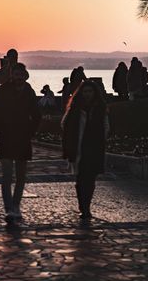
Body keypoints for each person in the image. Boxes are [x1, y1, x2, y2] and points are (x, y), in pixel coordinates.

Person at [0, 63, 41, 223]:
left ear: (25, 75)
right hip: (6, 136)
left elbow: (37, 114)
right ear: (12, 75)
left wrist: (31, 131)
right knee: (7, 174)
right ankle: (8, 207)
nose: (18, 77)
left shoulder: (29, 92)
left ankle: (16, 205)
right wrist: (1, 128)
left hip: (23, 137)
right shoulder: (2, 91)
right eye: (16, 74)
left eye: (21, 74)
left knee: (20, 175)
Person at [62, 80, 109, 220]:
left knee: (91, 179)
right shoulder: (75, 109)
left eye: (90, 91)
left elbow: (106, 126)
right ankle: (83, 207)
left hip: (94, 148)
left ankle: (86, 206)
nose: (87, 94)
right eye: (85, 91)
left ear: (94, 93)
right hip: (80, 147)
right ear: (81, 93)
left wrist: (102, 137)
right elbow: (64, 123)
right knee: (81, 179)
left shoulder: (100, 108)